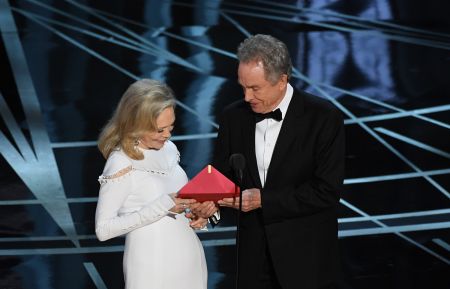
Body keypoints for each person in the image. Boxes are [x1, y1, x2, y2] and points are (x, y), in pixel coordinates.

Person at [213, 34, 345, 289]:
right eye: (242, 87)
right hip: (252, 260)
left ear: (282, 80)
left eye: (255, 88)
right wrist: (208, 204)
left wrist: (264, 199)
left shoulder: (324, 118)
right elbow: (223, 174)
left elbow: (327, 191)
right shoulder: (233, 117)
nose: (247, 96)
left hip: (306, 259)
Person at [95, 79, 208, 289]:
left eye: (171, 127)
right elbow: (104, 229)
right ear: (136, 124)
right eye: (159, 130)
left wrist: (197, 213)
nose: (168, 135)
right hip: (152, 265)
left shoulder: (169, 149)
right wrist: (163, 205)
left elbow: (177, 199)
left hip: (190, 258)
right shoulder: (121, 161)